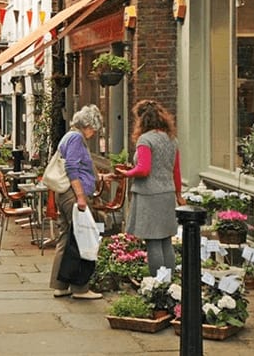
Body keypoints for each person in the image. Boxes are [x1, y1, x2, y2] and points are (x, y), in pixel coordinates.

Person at [116, 100, 186, 277]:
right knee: (166, 241)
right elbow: (176, 170)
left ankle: (158, 284)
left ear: (142, 119)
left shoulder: (145, 140)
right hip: (167, 193)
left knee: (153, 241)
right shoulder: (172, 140)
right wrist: (178, 194)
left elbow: (144, 169)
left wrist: (126, 173)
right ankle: (169, 283)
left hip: (149, 195)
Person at [49, 104, 110, 300]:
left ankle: (60, 285)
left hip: (67, 194)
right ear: (87, 125)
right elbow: (73, 168)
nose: (94, 133)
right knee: (83, 239)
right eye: (93, 129)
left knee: (66, 238)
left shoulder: (70, 136)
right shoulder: (76, 138)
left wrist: (98, 177)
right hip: (73, 195)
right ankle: (80, 287)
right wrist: (81, 196)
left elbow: (80, 167)